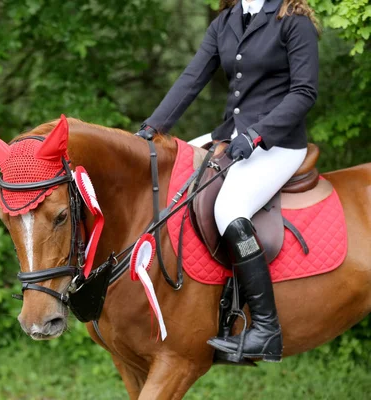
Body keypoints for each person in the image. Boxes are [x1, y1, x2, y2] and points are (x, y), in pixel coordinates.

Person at [136, 0, 319, 362]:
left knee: (229, 209)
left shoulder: (292, 20)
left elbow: (304, 92)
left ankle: (266, 329)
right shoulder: (226, 22)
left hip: (277, 142)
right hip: (229, 137)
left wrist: (256, 135)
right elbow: (191, 79)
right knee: (166, 181)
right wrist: (151, 129)